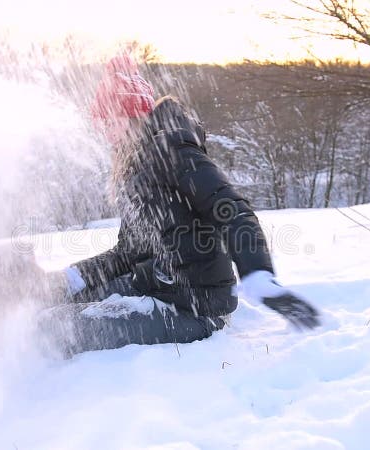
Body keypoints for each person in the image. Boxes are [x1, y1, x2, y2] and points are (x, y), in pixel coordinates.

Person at [37, 54, 320, 357]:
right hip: (154, 287)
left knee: (57, 328)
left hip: (194, 308)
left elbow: (232, 211)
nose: (103, 128)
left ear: (132, 115)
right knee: (51, 305)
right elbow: (128, 252)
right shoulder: (134, 167)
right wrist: (72, 279)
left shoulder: (174, 151)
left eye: (110, 117)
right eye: (100, 119)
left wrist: (258, 275)